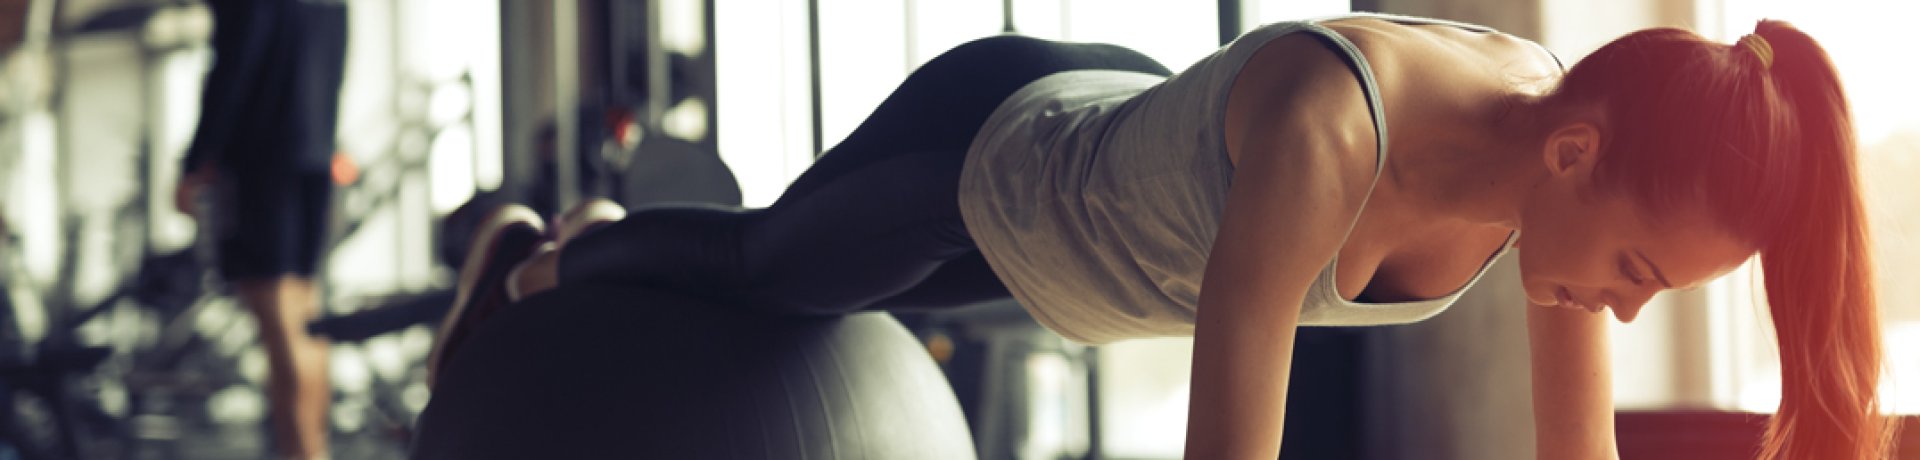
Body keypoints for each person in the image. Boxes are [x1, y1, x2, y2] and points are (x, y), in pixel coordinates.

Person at [432, 12, 1890, 460]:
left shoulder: (1568, 177)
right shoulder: (1336, 137)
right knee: (769, 274)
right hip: (999, 162)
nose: (1620, 313)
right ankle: (547, 258)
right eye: (1639, 278)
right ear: (1578, 154)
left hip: (1114, 238)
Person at [174, 0, 348, 459]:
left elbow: (233, 71)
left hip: (262, 164)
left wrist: (196, 163)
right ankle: (313, 449)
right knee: (305, 314)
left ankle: (302, 453)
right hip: (315, 158)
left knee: (280, 323)